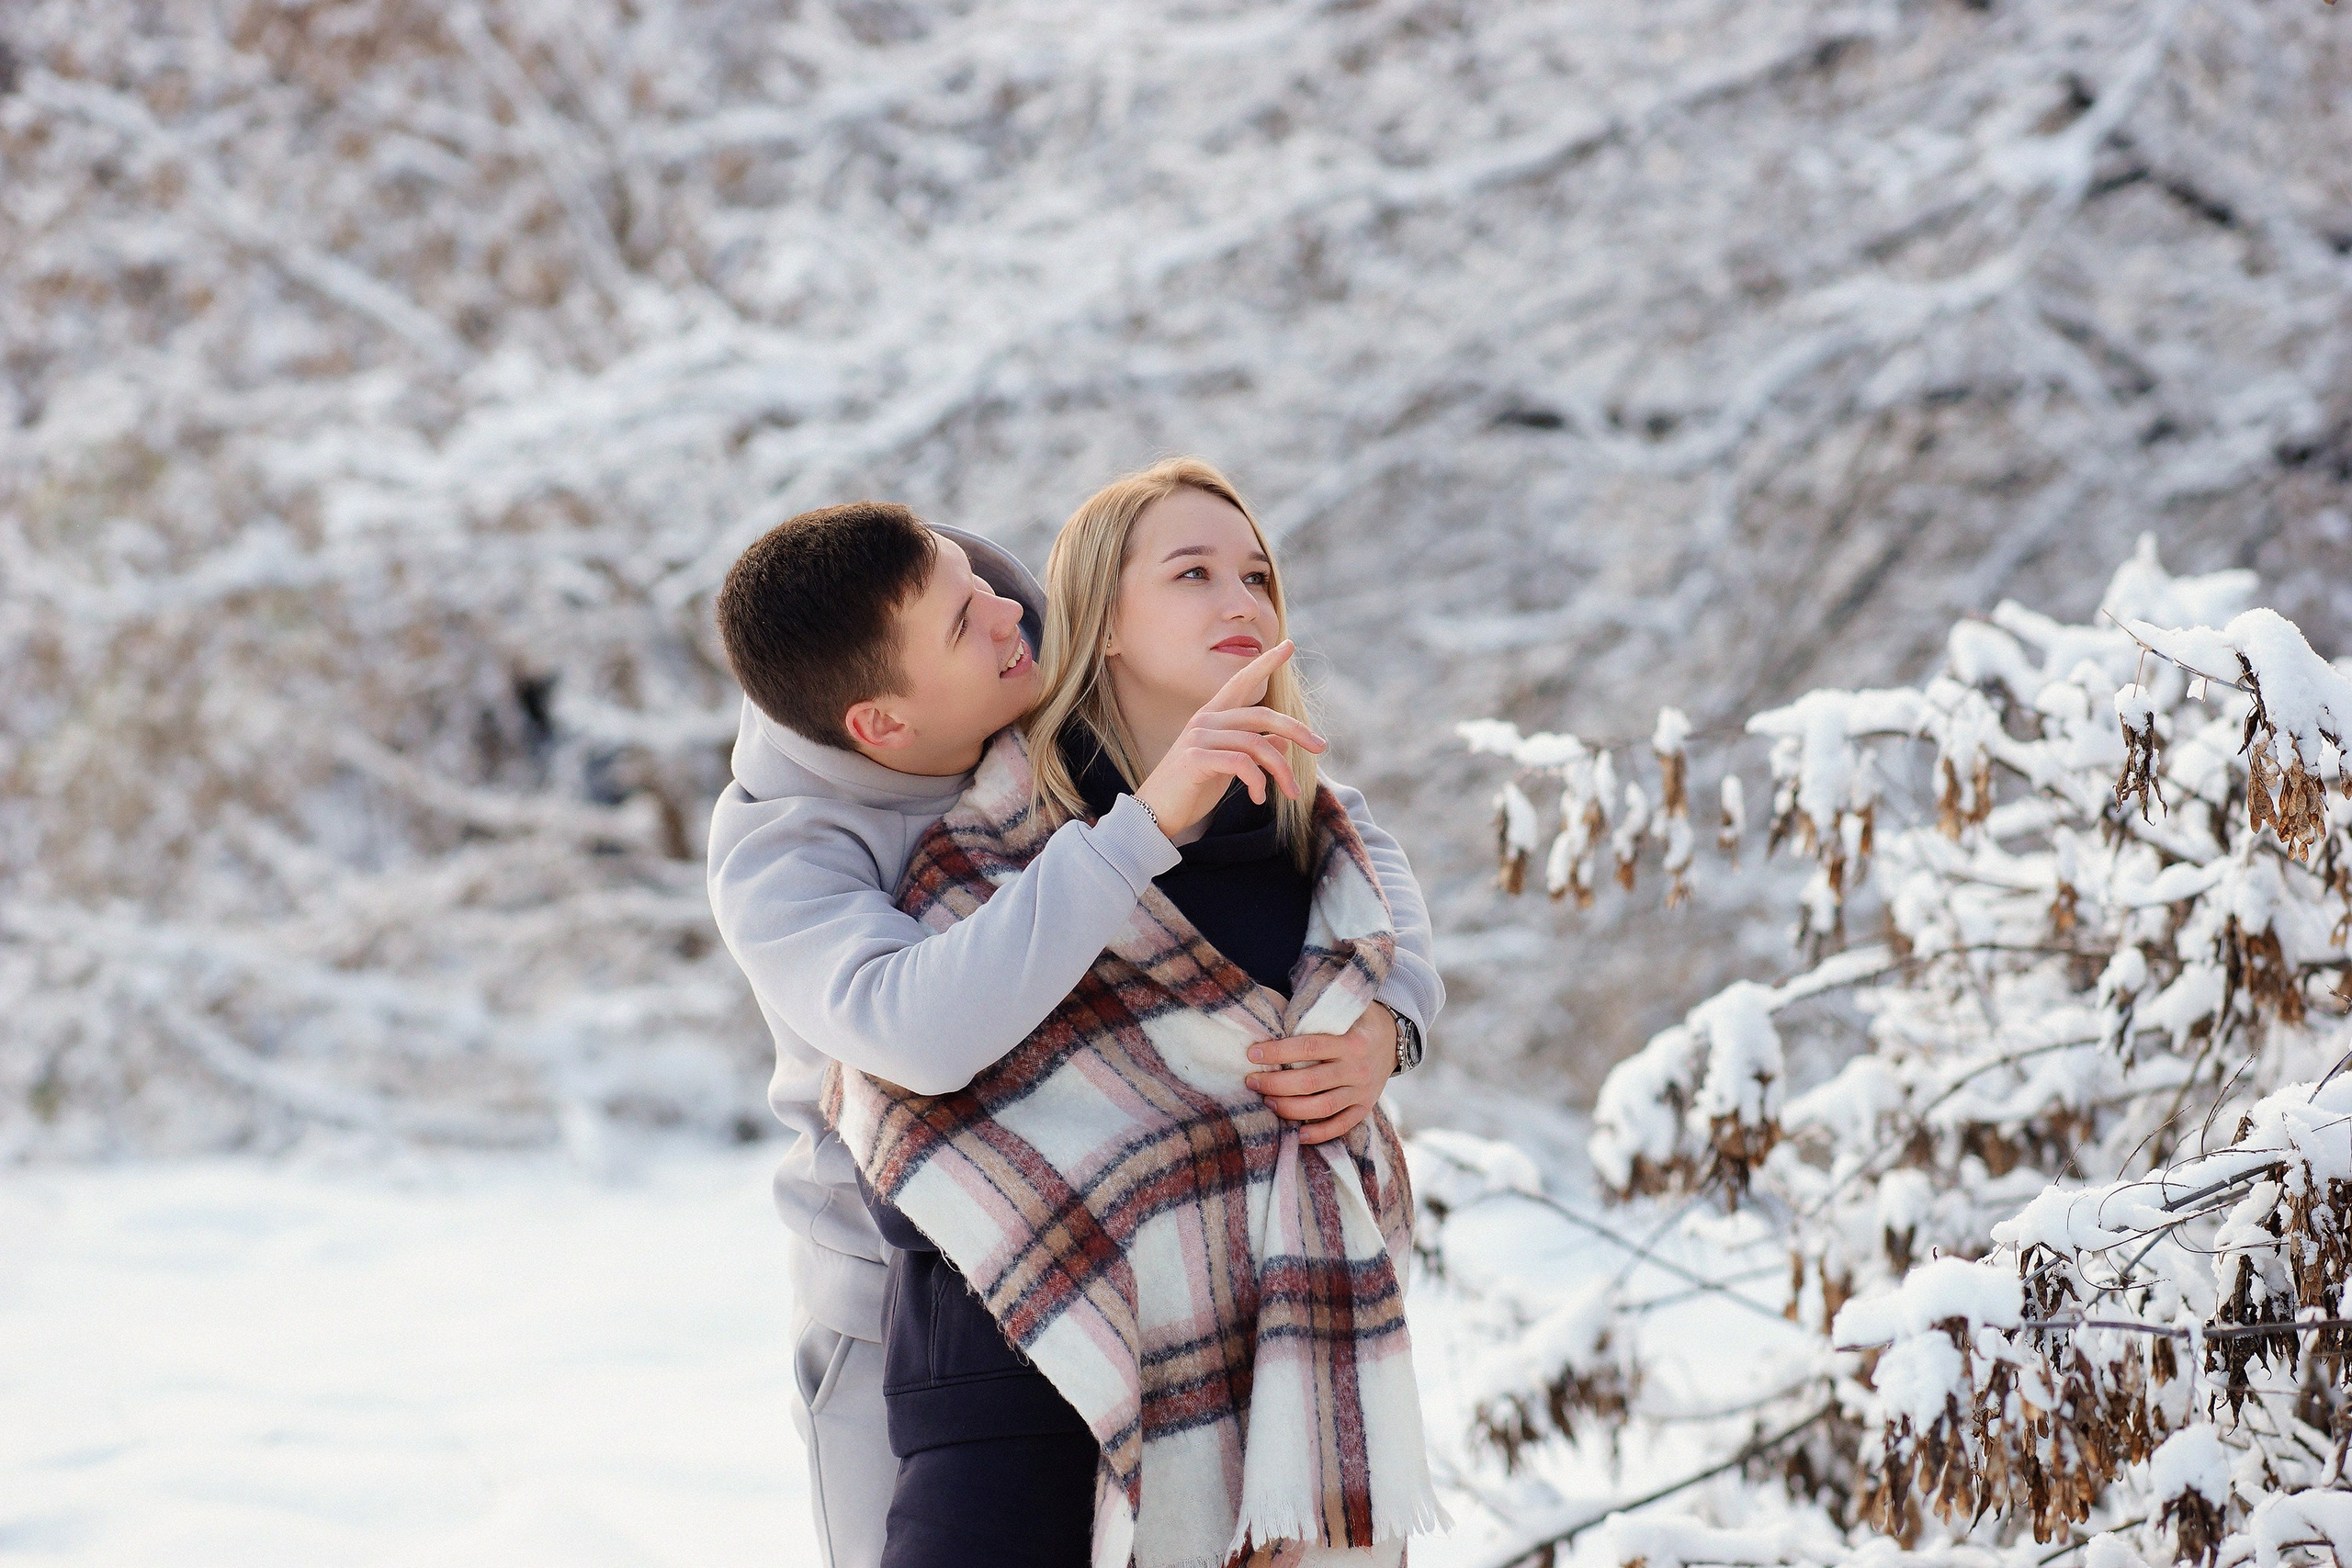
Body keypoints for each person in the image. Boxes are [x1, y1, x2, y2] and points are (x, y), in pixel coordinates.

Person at [704, 501, 1444, 1568]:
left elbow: (1338, 825)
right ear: (884, 724)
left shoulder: (1025, 657)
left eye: (982, 587)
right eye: (966, 624)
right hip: (909, 1302)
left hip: (1163, 1267)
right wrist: (1136, 830)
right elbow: (916, 1030)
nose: (1011, 618)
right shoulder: (788, 854)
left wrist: (1393, 1019)